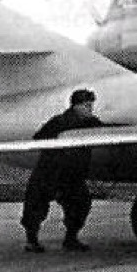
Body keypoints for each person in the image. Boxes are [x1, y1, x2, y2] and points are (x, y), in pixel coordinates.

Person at [20, 88, 105, 253]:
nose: (90, 109)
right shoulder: (59, 122)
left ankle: (71, 239)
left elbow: (105, 130)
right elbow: (39, 138)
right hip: (49, 172)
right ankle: (31, 241)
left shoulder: (91, 123)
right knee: (35, 205)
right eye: (86, 106)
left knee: (80, 204)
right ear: (76, 106)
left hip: (72, 174)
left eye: (91, 105)